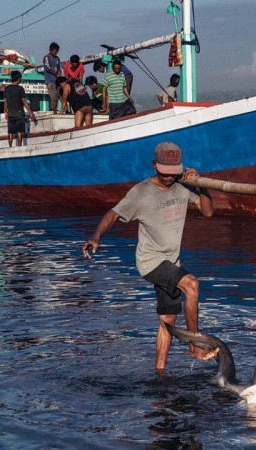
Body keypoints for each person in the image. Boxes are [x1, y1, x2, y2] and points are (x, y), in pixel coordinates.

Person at [82, 142, 216, 373]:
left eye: (173, 173)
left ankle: (160, 372)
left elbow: (208, 211)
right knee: (192, 285)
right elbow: (114, 213)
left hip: (171, 262)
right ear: (155, 165)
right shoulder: (141, 192)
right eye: (164, 172)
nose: (168, 178)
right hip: (150, 262)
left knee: (168, 319)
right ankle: (195, 345)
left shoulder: (182, 187)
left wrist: (201, 185)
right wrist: (96, 236)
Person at [4, 70, 37, 147]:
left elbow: (5, 101)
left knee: (10, 132)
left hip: (10, 114)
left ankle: (10, 147)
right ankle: (19, 146)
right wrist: (31, 113)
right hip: (19, 113)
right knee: (19, 131)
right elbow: (24, 102)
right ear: (18, 79)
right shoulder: (20, 89)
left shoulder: (7, 88)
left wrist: (6, 112)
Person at [42, 42, 61, 114]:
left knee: (59, 96)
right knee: (54, 97)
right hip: (50, 81)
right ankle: (54, 111)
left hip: (57, 80)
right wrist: (56, 73)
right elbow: (47, 68)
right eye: (55, 52)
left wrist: (59, 74)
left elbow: (59, 68)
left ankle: (60, 109)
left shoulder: (57, 58)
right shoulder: (46, 57)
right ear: (51, 50)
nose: (56, 53)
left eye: (57, 52)